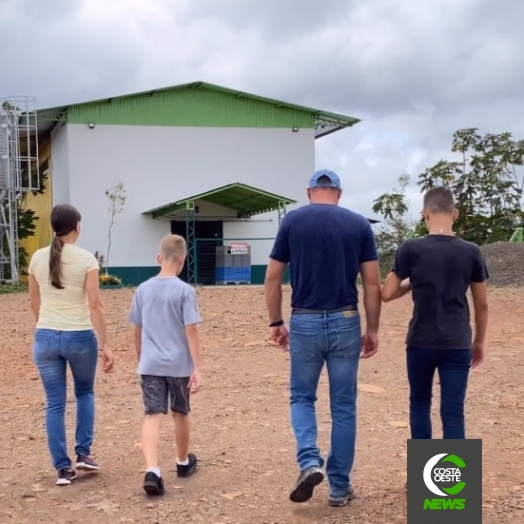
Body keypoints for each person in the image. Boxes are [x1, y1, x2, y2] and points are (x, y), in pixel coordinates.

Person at [264, 169, 382, 507]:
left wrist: (276, 321)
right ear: (339, 193)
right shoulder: (359, 224)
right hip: (346, 320)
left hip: (304, 321)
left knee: (302, 398)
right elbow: (371, 284)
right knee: (343, 406)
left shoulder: (292, 221)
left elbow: (272, 277)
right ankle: (339, 487)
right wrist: (372, 329)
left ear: (310, 191)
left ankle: (309, 462)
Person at [381, 186, 489, 440]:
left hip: (421, 341)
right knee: (453, 412)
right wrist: (479, 342)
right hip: (457, 341)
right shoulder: (472, 251)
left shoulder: (410, 249)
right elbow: (482, 304)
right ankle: (454, 480)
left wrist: (413, 281)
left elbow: (387, 294)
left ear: (425, 214)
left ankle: (424, 479)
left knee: (419, 403)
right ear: (455, 214)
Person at [28, 204, 113, 486]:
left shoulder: (37, 258)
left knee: (54, 404)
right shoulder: (86, 259)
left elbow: (34, 302)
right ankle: (83, 452)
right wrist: (106, 345)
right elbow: (95, 304)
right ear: (77, 225)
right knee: (85, 393)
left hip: (46, 337)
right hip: (79, 336)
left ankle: (62, 469)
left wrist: (47, 326)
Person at [127, 234, 202, 497]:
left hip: (151, 364)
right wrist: (197, 366)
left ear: (159, 258)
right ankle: (182, 462)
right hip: (179, 365)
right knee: (180, 412)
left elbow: (137, 330)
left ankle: (152, 470)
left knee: (152, 414)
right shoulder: (185, 291)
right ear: (182, 261)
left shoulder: (143, 289)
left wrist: (141, 359)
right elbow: (191, 329)